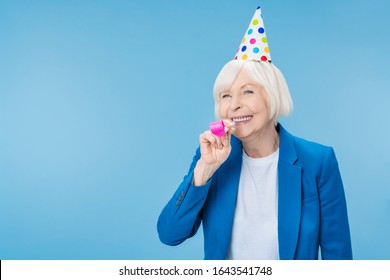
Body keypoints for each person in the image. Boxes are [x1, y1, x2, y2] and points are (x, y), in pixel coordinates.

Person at [157, 5, 352, 260]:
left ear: (272, 97)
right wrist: (203, 171)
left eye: (247, 91)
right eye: (226, 95)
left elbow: (338, 257)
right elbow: (169, 235)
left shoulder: (318, 161)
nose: (234, 105)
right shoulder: (211, 159)